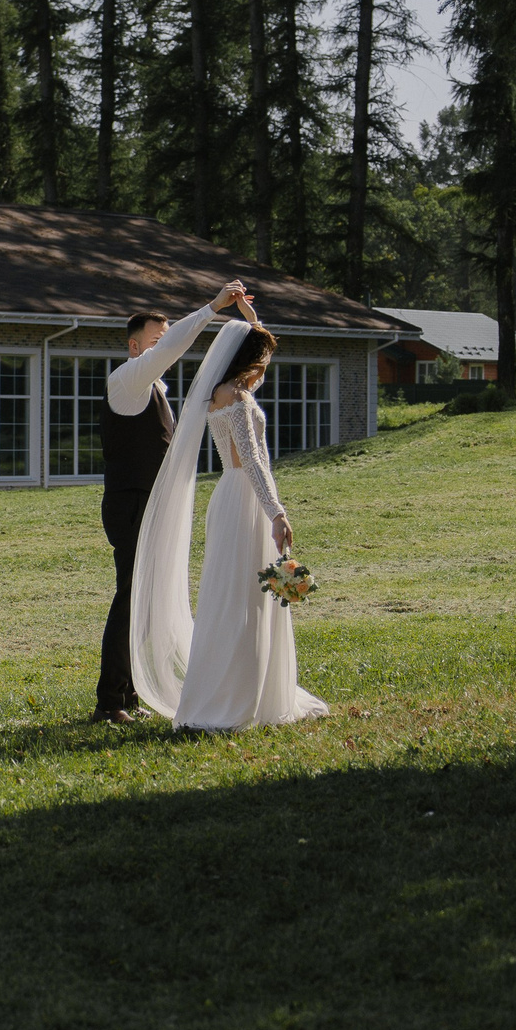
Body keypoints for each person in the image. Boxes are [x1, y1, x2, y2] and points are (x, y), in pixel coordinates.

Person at [128, 313, 330, 732]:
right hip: (244, 499)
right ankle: (236, 698)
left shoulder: (220, 393)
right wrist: (276, 511)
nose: (264, 373)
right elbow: (253, 459)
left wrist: (251, 318)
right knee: (245, 595)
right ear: (250, 362)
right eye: (262, 363)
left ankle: (245, 687)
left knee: (239, 593)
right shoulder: (235, 398)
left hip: (231, 495)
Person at [91, 279, 249, 723]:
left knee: (148, 598)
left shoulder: (157, 391)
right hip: (132, 505)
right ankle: (110, 701)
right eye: (157, 339)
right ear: (134, 345)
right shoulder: (126, 381)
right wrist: (211, 309)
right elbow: (173, 347)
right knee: (130, 595)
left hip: (153, 505)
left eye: (166, 336)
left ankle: (131, 693)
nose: (166, 346)